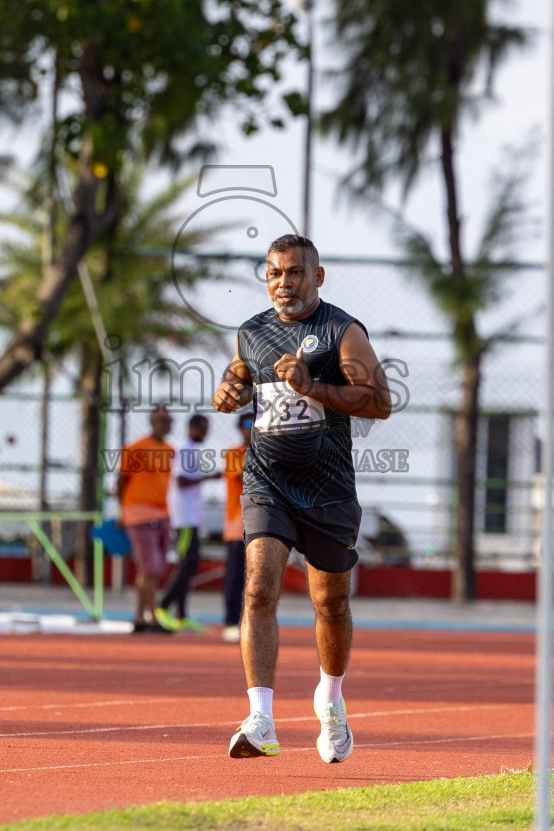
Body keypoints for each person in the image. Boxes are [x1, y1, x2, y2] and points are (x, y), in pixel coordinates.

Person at [212, 234, 392, 763]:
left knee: (329, 603)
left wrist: (314, 387)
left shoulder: (342, 330)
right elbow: (240, 376)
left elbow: (380, 402)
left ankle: (331, 701)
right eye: (274, 273)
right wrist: (228, 391)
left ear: (317, 276)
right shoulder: (252, 332)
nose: (283, 283)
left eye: (294, 273)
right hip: (267, 481)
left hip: (328, 488)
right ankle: (260, 718)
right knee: (257, 589)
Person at [117, 405, 177, 634]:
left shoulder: (170, 450)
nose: (165, 425)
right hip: (138, 513)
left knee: (154, 569)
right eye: (161, 420)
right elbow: (121, 481)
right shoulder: (136, 448)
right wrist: (122, 512)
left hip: (162, 514)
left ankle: (138, 618)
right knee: (150, 567)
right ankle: (152, 618)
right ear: (151, 422)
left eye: (169, 421)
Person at [158, 413, 214, 632]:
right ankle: (163, 606)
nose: (206, 434)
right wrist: (210, 477)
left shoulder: (189, 449)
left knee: (190, 563)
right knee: (188, 562)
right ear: (192, 427)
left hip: (190, 517)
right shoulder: (185, 449)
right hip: (184, 519)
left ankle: (181, 614)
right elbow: (181, 481)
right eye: (203, 429)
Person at [221, 413, 254, 644]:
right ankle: (231, 621)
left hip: (262, 524)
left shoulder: (266, 452)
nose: (251, 429)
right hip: (237, 524)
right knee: (235, 576)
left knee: (256, 577)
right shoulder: (234, 453)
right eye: (248, 425)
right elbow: (246, 476)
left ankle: (250, 621)